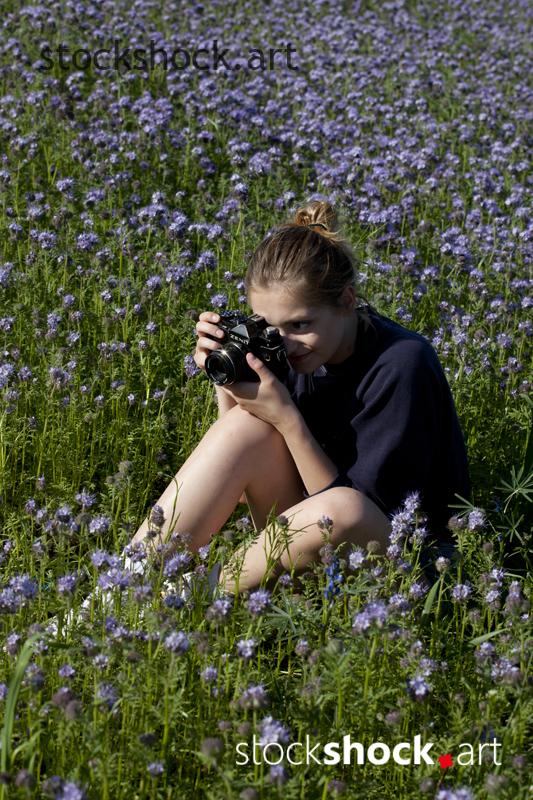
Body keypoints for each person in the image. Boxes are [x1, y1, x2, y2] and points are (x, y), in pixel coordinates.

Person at [130, 200, 471, 593]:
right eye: (269, 326)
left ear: (347, 299)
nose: (286, 344)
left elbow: (353, 521)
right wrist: (227, 379)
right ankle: (120, 589)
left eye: (300, 323)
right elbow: (242, 492)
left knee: (342, 506)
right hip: (309, 542)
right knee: (246, 426)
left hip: (404, 567)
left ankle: (188, 596)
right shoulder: (294, 349)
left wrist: (288, 419)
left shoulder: (401, 364)